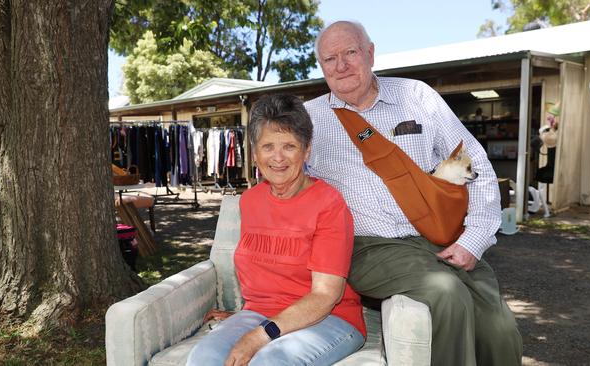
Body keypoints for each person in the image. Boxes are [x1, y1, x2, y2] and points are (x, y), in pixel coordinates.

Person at [304, 20, 523, 366]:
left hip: (439, 234)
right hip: (369, 246)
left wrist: (475, 237)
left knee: (500, 330)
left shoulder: (416, 96)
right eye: (330, 59)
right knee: (446, 294)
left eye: (350, 52)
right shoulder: (309, 119)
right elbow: (282, 180)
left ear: (371, 53)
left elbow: (474, 161)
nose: (341, 65)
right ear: (321, 67)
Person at [186, 93, 366, 366]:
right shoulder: (249, 201)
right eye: (268, 146)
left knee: (269, 362)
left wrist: (259, 336)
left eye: (289, 146)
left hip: (330, 318)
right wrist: (243, 320)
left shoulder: (329, 204)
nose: (278, 158)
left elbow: (326, 296)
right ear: (255, 154)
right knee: (203, 359)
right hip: (260, 314)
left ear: (306, 150)